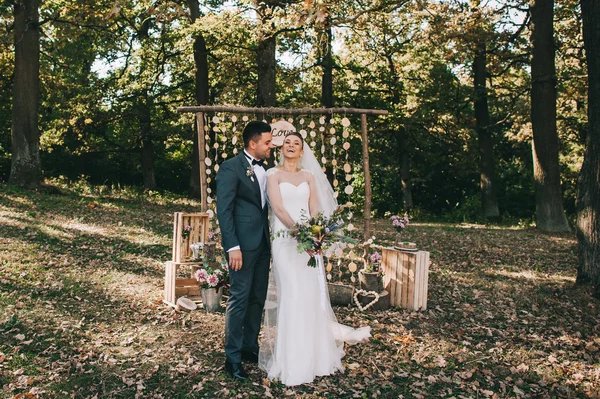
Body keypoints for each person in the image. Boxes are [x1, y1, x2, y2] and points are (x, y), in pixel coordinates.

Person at [258, 132, 371, 386]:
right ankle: (291, 360)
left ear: (302, 151)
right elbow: (277, 208)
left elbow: (315, 211)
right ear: (281, 148)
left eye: (296, 143)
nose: (290, 146)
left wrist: (315, 236)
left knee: (308, 292)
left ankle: (315, 357)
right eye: (287, 142)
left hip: (309, 243)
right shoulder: (272, 175)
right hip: (285, 240)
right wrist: (299, 232)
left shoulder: (309, 177)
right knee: (293, 291)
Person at [216, 121, 274, 381]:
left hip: (264, 244)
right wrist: (233, 247)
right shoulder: (231, 168)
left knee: (257, 298)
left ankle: (250, 347)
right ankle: (232, 358)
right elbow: (224, 210)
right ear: (253, 143)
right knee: (239, 299)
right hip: (242, 246)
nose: (271, 146)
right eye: (268, 142)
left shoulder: (268, 169)